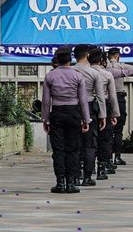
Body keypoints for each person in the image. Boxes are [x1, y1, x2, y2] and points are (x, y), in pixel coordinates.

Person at [42, 46, 91, 193]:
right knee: (73, 149)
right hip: (73, 113)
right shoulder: (77, 76)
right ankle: (71, 182)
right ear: (70, 60)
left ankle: (60, 182)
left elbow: (45, 100)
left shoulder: (50, 76)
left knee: (58, 150)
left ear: (58, 60)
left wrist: (45, 119)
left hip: (56, 113)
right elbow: (83, 100)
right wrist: (86, 120)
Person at [72, 44, 107, 183]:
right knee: (89, 144)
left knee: (74, 143)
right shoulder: (94, 73)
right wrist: (102, 116)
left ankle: (75, 175)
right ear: (87, 55)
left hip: (73, 108)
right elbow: (100, 96)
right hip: (90, 109)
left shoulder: (71, 71)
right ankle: (87, 176)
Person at [89, 48, 120, 183]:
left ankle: (88, 167)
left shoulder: (81, 72)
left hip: (87, 106)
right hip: (105, 106)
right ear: (102, 60)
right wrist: (115, 114)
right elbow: (113, 97)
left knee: (89, 138)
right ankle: (102, 168)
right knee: (105, 138)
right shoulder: (107, 74)